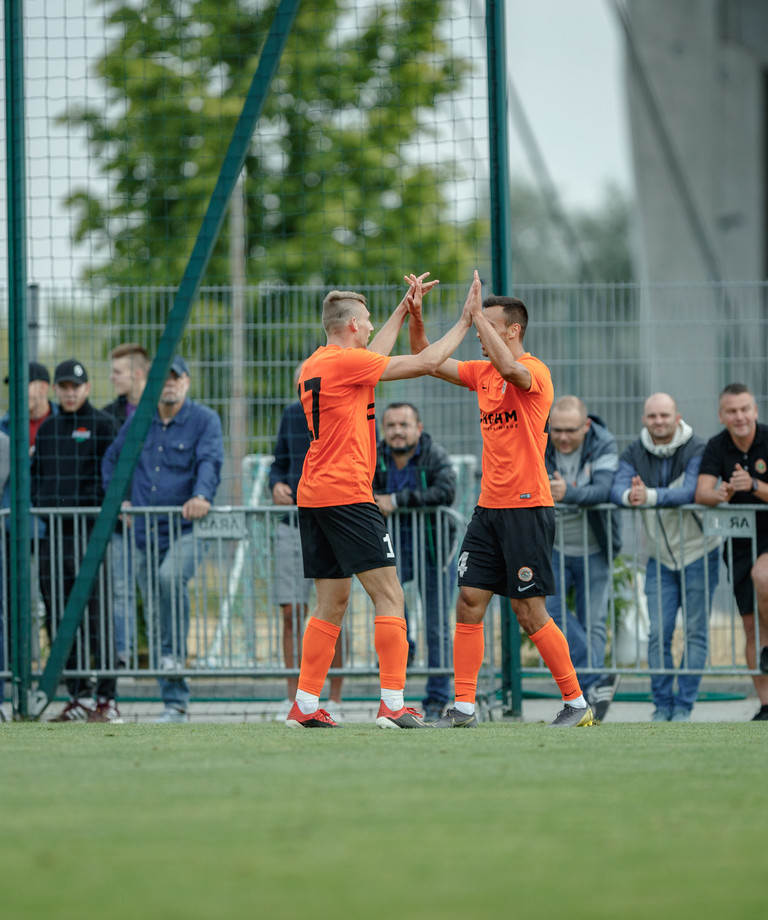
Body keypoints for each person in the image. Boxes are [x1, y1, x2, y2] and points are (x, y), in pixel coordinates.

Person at [286, 271, 480, 729]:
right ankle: (393, 704)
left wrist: (402, 308)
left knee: (331, 603)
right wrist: (466, 322)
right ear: (352, 325)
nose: (373, 327)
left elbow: (374, 355)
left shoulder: (317, 363)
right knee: (390, 596)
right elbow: (428, 361)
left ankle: (304, 705)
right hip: (348, 496)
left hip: (314, 495)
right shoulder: (345, 363)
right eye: (368, 320)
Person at [408, 284, 595, 728]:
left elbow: (510, 368)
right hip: (488, 509)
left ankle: (576, 702)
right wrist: (417, 316)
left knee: (529, 612)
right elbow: (424, 356)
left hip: (528, 508)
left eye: (486, 326)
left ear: (512, 331)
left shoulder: (533, 371)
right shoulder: (480, 372)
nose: (477, 332)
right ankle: (465, 708)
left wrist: (475, 317)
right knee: (469, 601)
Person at [102, 355, 223, 723]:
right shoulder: (139, 421)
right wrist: (119, 498)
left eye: (176, 378)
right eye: (163, 379)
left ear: (187, 382)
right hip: (143, 531)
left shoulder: (205, 420)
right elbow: (112, 461)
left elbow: (210, 461)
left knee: (170, 578)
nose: (169, 384)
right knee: (153, 615)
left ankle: (173, 663)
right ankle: (174, 702)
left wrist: (202, 496)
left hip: (185, 530)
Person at [612, 393, 720, 721]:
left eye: (664, 415)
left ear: (677, 417)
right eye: (652, 416)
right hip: (659, 557)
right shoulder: (634, 451)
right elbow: (615, 488)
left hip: (701, 552)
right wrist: (629, 495)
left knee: (697, 632)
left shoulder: (698, 447)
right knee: (658, 632)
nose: (659, 421)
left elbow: (691, 490)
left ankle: (684, 706)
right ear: (644, 419)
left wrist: (650, 496)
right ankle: (662, 705)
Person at [31, 359, 120, 722]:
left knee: (98, 616)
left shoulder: (103, 425)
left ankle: (107, 699)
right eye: (64, 386)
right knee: (57, 615)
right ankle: (78, 695)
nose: (70, 392)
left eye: (76, 386)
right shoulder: (48, 428)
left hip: (90, 535)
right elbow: (37, 478)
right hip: (53, 535)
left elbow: (111, 477)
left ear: (86, 388)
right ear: (56, 389)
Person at [372, 401, 457, 723]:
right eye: (391, 425)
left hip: (435, 552)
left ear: (418, 429)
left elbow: (446, 491)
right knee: (394, 623)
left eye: (404, 425)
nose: (397, 431)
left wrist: (397, 501)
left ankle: (436, 698)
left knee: (437, 628)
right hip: (390, 551)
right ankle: (397, 696)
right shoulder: (374, 456)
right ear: (383, 429)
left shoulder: (434, 455)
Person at [269, 362, 343, 722]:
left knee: (332, 609)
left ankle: (338, 695)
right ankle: (293, 696)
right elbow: (279, 462)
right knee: (291, 612)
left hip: (331, 520)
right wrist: (276, 484)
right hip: (291, 522)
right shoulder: (289, 415)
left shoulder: (344, 409)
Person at [545, 395, 622, 720]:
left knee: (593, 624)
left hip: (595, 548)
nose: (562, 437)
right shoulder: (541, 438)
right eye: (557, 430)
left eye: (570, 431)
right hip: (555, 547)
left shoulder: (604, 443)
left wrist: (569, 493)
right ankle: (597, 682)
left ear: (586, 425)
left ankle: (588, 697)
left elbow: (604, 490)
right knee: (550, 612)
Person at [695, 383, 768, 721]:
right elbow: (702, 494)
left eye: (744, 409)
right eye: (732, 411)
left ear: (755, 410)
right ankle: (766, 704)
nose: (739, 417)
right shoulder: (716, 446)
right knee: (750, 629)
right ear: (722, 415)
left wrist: (754, 485)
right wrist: (722, 492)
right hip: (738, 545)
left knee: (763, 576)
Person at [101, 343, 150, 667]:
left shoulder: (161, 408)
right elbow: (108, 463)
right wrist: (119, 502)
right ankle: (124, 658)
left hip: (157, 520)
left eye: (117, 372)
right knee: (120, 591)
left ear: (136, 373)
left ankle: (163, 659)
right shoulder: (107, 416)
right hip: (123, 521)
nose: (112, 377)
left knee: (157, 590)